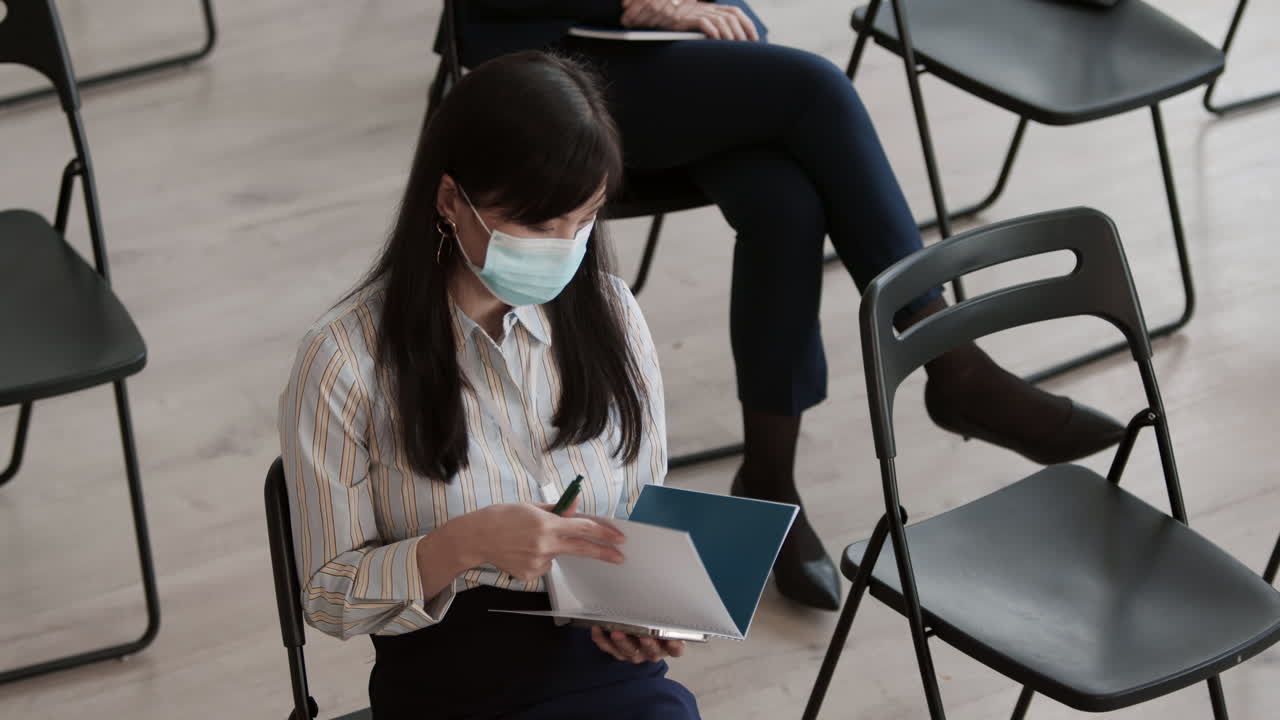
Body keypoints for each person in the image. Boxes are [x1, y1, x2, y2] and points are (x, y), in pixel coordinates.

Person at [449, 0, 1127, 611]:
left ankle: (769, 474)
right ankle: (953, 364)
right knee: (814, 88)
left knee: (785, 203)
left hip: (675, 31)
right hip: (555, 45)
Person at [280, 52, 700, 719]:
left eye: (584, 219)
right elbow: (329, 596)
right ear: (451, 201)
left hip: (597, 660)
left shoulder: (611, 313)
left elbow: (640, 511)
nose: (565, 246)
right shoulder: (344, 360)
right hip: (447, 678)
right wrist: (467, 543)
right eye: (537, 224)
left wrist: (644, 614)